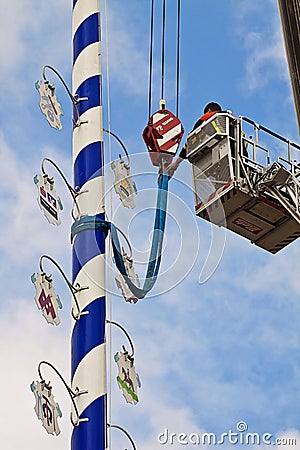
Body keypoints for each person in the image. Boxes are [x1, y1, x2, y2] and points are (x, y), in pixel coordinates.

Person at [166, 102, 222, 177]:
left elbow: (190, 142)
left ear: (209, 111)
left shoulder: (206, 121)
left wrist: (176, 163)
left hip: (217, 151)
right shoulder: (230, 120)